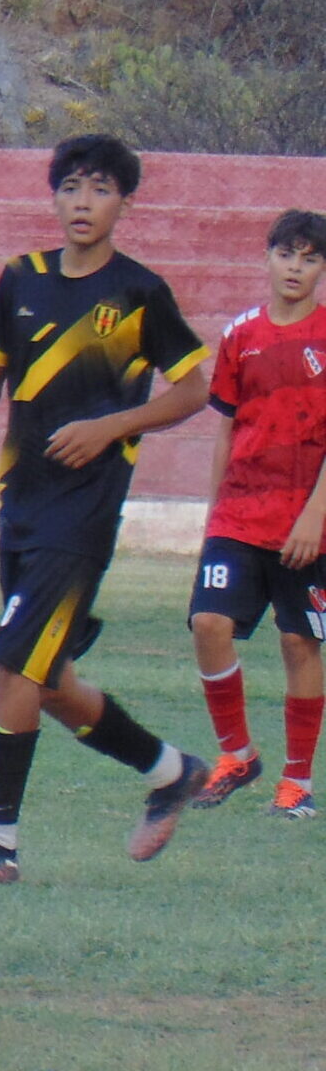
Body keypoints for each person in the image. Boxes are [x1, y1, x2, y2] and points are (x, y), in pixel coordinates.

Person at [0, 133, 212, 884]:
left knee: (12, 662)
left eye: (99, 189)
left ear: (124, 202)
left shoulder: (138, 293)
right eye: (70, 188)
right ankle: (171, 772)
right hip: (20, 505)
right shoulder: (19, 278)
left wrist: (112, 427)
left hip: (83, 516)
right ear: (54, 198)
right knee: (49, 681)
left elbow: (193, 389)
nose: (82, 202)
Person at [184, 209, 326, 821]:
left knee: (298, 641)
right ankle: (237, 754)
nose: (295, 268)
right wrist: (214, 514)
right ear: (266, 257)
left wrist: (315, 515)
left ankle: (297, 784)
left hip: (306, 520)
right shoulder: (240, 334)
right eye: (286, 254)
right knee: (208, 623)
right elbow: (226, 428)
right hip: (239, 515)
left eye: (310, 258)